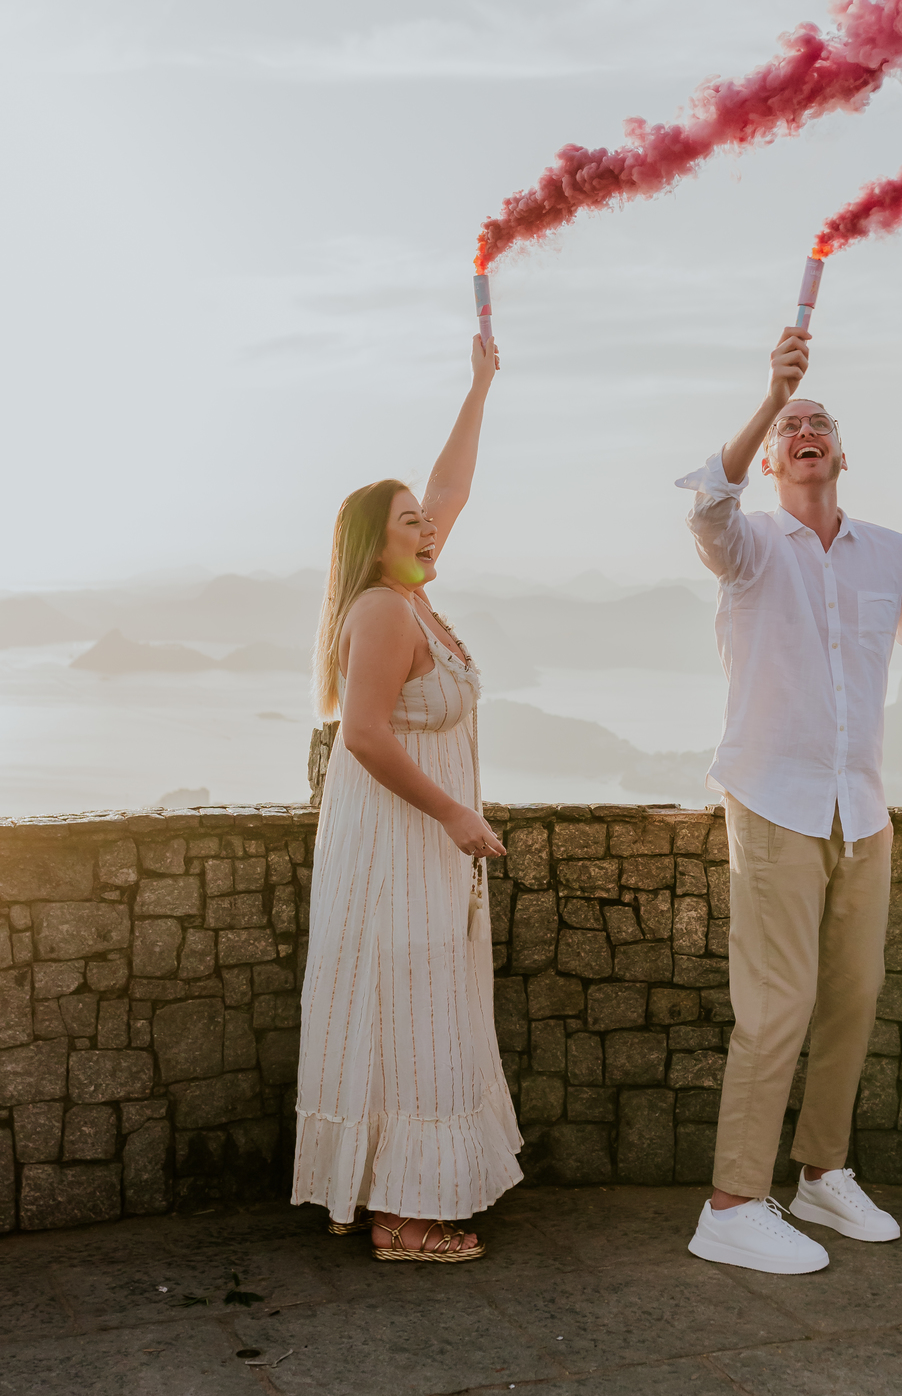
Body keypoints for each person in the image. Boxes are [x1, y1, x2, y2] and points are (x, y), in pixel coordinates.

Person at [679, 322, 902, 1276]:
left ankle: (821, 1174)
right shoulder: (749, 546)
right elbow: (706, 503)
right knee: (778, 1004)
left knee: (853, 997)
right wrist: (772, 391)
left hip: (862, 810)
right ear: (774, 458)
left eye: (819, 422)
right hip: (771, 803)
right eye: (791, 427)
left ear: (841, 453)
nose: (806, 429)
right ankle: (730, 1204)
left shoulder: (890, 553)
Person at [292, 332, 521, 1263]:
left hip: (418, 844)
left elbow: (452, 487)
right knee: (407, 1003)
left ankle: (406, 1197)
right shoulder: (384, 609)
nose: (428, 526)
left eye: (425, 520)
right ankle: (399, 1215)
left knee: (423, 1001)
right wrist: (457, 814)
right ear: (376, 543)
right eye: (410, 521)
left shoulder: (414, 591)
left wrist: (479, 385)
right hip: (399, 844)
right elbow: (365, 735)